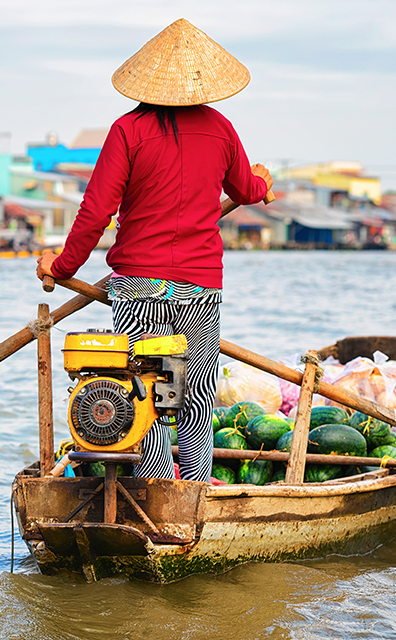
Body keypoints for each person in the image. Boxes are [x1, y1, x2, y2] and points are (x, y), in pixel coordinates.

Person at [35, 18, 273, 483]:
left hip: (139, 289)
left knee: (143, 390)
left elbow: (95, 212)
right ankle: (194, 493)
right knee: (194, 394)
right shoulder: (221, 129)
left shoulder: (128, 130)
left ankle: (157, 487)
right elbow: (246, 188)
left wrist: (60, 266)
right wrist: (263, 182)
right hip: (199, 291)